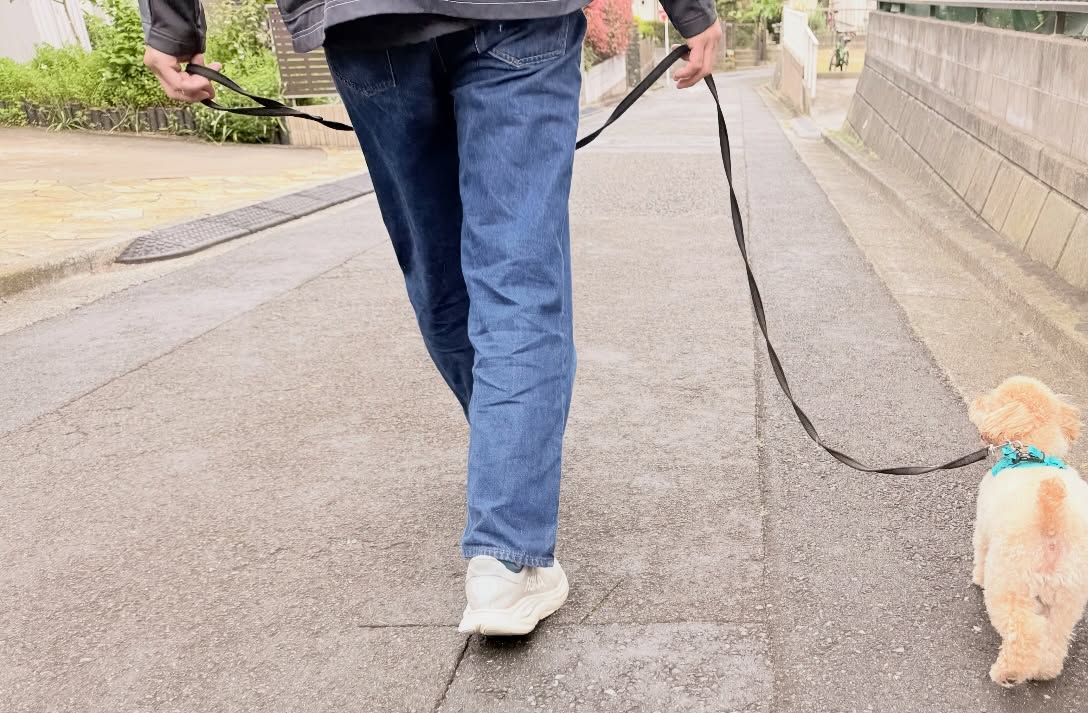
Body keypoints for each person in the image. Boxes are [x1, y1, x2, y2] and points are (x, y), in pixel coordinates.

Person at [139, 0, 721, 636]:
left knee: (436, 265)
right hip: (518, 19)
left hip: (367, 21)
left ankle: (509, 472)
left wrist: (173, 27)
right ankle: (506, 551)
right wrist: (691, 12)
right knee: (518, 277)